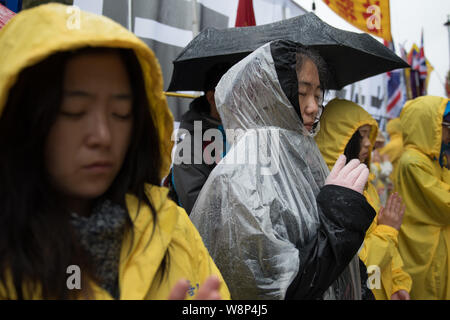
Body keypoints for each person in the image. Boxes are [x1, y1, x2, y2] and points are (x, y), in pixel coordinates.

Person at [0, 3, 230, 300]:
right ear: (23, 117)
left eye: (121, 113)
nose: (103, 136)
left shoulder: (172, 226)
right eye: (75, 110)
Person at [190, 40, 376, 300]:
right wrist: (340, 215)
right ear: (269, 93)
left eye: (318, 95)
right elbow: (275, 289)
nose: (313, 107)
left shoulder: (298, 158)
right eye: (302, 93)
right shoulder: (243, 177)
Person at [315, 98, 412, 300]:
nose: (369, 143)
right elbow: (354, 261)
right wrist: (388, 230)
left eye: (369, 134)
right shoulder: (328, 194)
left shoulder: (367, 186)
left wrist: (396, 284)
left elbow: (388, 250)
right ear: (339, 139)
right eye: (362, 135)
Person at [395, 96, 450, 299]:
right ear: (430, 125)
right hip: (423, 251)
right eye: (445, 126)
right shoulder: (413, 161)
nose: (447, 134)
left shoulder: (432, 159)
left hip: (434, 247)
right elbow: (445, 206)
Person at [168, 63, 231, 214]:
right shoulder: (190, 144)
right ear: (211, 97)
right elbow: (196, 206)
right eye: (232, 91)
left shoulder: (245, 130)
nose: (240, 97)